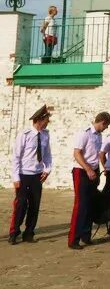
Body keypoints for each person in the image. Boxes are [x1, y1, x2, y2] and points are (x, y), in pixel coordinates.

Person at [68, 111, 110, 249]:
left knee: (91, 204)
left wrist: (102, 168)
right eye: (106, 125)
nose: (106, 128)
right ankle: (73, 239)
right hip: (82, 171)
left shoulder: (99, 136)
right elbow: (77, 153)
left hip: (93, 171)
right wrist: (87, 169)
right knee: (81, 205)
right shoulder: (84, 133)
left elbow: (96, 155)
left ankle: (86, 235)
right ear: (102, 122)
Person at [9, 105, 52, 245]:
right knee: (21, 204)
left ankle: (29, 233)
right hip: (23, 174)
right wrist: (16, 177)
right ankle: (14, 232)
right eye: (47, 119)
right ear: (40, 120)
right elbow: (16, 157)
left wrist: (47, 169)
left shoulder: (45, 135)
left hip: (37, 175)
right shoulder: (24, 134)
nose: (48, 122)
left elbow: (47, 154)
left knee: (34, 205)